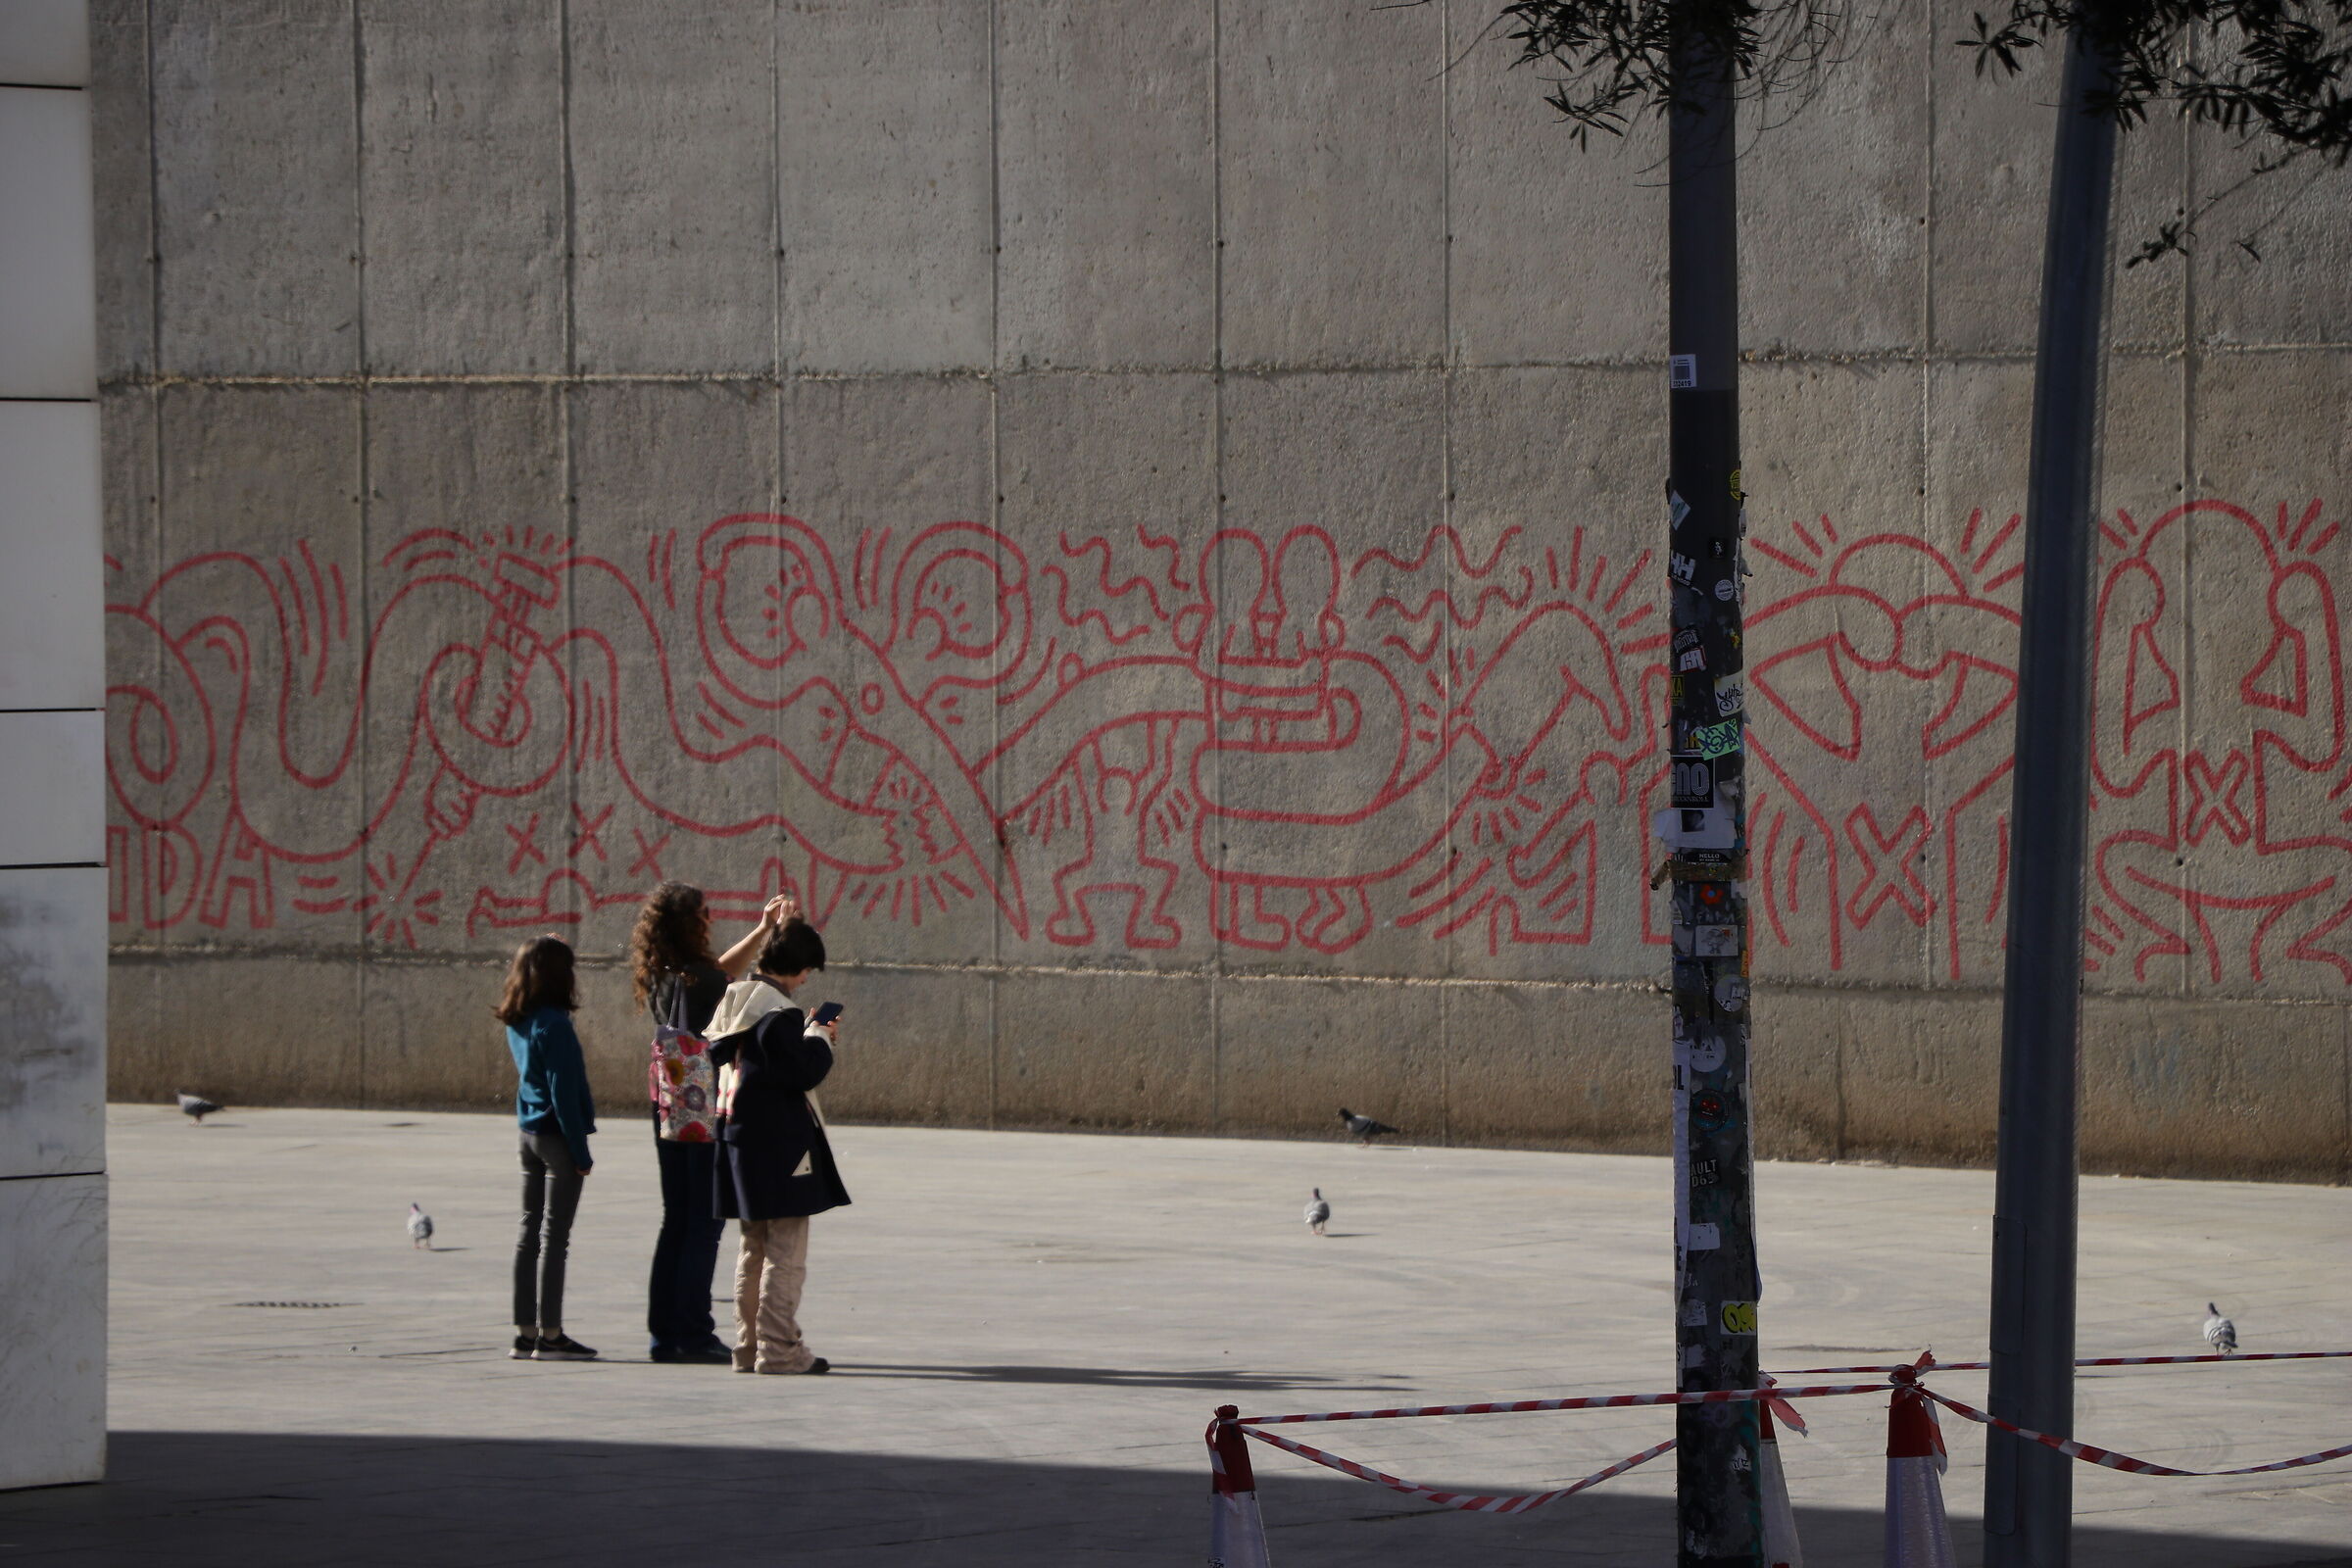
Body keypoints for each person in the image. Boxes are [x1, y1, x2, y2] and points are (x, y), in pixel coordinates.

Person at [629, 883, 797, 1365]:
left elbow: (719, 972)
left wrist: (761, 929)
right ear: (689, 923)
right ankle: (696, 1331)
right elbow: (740, 989)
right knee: (703, 1222)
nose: (709, 919)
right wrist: (775, 939)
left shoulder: (667, 976)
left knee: (676, 1220)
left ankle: (665, 1333)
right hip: (703, 1113)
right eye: (703, 914)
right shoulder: (701, 981)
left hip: (669, 1110)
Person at [706, 918, 850, 1374]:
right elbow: (801, 1072)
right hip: (781, 1146)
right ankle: (780, 1348)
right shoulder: (778, 1014)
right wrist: (820, 1036)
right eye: (808, 970)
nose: (808, 979)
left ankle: (747, 1346)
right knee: (785, 1250)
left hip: (738, 1140)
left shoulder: (735, 1001)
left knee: (753, 1247)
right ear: (798, 967)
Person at [498, 935, 598, 1363]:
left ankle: (524, 1333)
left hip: (528, 1134)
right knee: (555, 1239)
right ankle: (552, 1335)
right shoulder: (554, 1025)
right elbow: (563, 1093)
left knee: (528, 1235)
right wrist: (581, 1153)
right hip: (557, 1138)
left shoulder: (520, 1018)